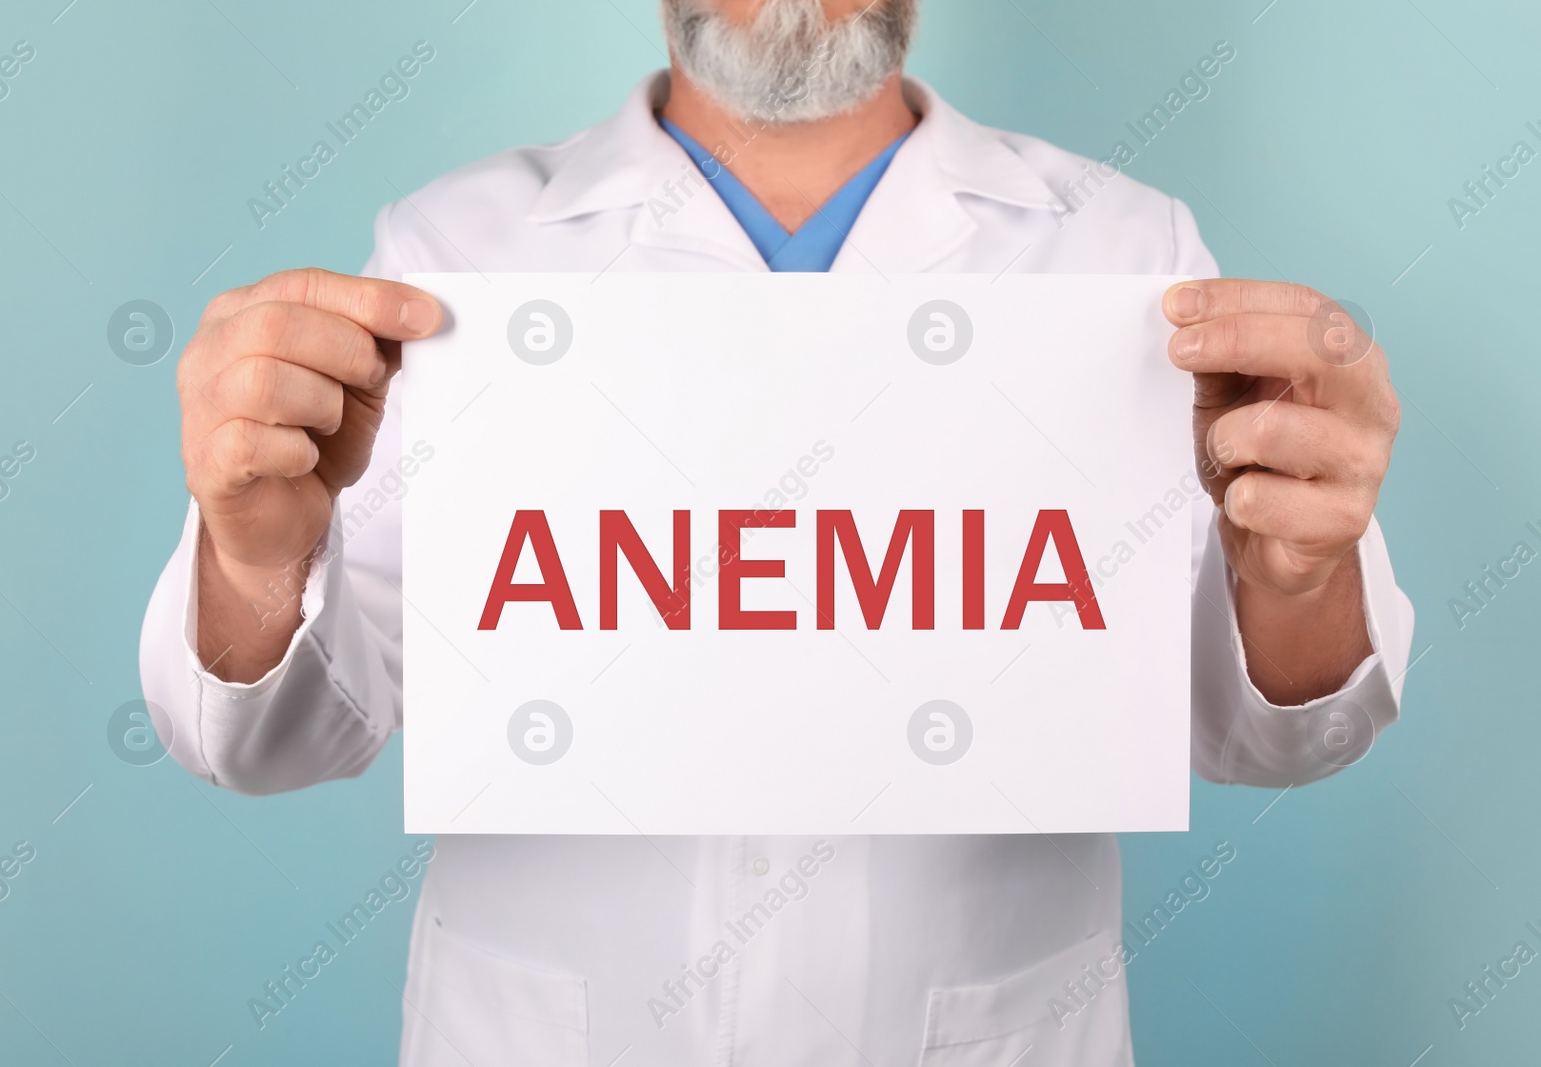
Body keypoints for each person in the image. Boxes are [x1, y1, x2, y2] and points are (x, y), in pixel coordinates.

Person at [139, 0, 1414, 1063]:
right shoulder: (448, 257)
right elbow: (282, 738)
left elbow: (1265, 732)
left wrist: (1294, 575)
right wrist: (256, 555)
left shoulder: (1130, 253)